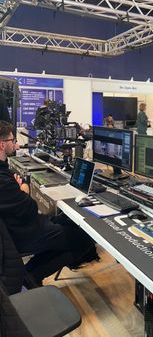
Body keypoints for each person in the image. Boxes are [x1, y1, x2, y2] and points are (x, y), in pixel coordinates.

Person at [0, 120, 98, 285]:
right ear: (2, 145)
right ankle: (31, 276)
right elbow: (30, 208)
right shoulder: (2, 180)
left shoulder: (3, 171)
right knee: (85, 240)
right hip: (24, 232)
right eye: (12, 141)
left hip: (20, 227)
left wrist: (19, 191)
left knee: (66, 221)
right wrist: (24, 188)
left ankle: (31, 273)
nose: (16, 145)